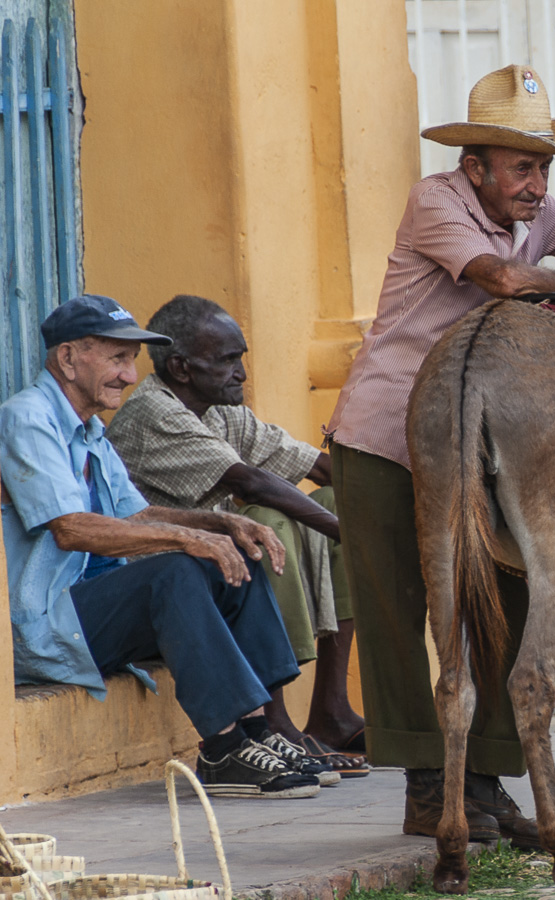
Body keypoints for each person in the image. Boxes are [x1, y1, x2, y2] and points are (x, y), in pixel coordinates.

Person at [324, 63, 555, 848]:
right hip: (387, 439)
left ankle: (487, 781)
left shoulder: (535, 207)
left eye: (545, 169)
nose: (538, 186)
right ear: (474, 167)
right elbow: (501, 278)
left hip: (485, 445)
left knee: (506, 602)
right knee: (400, 612)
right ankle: (428, 786)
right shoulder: (436, 200)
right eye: (523, 167)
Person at [0, 294, 324, 798]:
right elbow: (70, 528)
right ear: (67, 358)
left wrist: (218, 525)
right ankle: (222, 749)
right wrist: (187, 537)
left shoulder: (90, 430)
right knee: (174, 571)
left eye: (131, 361)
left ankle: (259, 731)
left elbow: (136, 514)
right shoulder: (28, 418)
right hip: (45, 626)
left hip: (91, 612)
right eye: (118, 359)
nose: (130, 376)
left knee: (236, 551)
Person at [106, 295, 368, 779]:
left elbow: (313, 465)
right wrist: (355, 537)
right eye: (228, 360)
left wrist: (402, 508)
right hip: (172, 596)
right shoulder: (154, 413)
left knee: (338, 505)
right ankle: (275, 721)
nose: (242, 373)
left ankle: (331, 709)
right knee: (269, 522)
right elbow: (251, 482)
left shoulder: (221, 411)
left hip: (218, 580)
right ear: (181, 368)